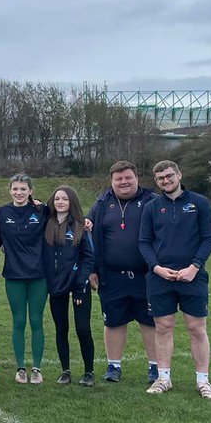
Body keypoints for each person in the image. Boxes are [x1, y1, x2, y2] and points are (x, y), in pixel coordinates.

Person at [139, 160, 211, 400]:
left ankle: (202, 381)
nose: (166, 180)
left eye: (169, 175)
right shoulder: (151, 207)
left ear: (179, 175)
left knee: (197, 328)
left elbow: (209, 239)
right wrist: (157, 268)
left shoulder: (200, 203)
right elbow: (144, 242)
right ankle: (163, 378)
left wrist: (194, 267)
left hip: (192, 277)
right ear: (156, 181)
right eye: (161, 178)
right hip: (160, 278)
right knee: (163, 328)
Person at [86, 161, 159, 384]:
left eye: (127, 177)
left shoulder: (152, 201)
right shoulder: (101, 203)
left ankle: (156, 367)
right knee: (113, 321)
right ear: (112, 181)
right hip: (111, 274)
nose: (123, 182)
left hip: (146, 275)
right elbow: (88, 237)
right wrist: (92, 269)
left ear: (136, 178)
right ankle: (113, 366)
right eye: (118, 179)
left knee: (150, 321)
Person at [0, 175, 49, 385]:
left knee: (36, 320)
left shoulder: (41, 211)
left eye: (23, 189)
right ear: (10, 191)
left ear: (30, 191)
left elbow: (64, 217)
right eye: (15, 189)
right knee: (18, 321)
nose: (19, 192)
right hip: (14, 275)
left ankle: (36, 368)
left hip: (39, 275)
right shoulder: (1, 213)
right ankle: (20, 369)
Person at [44, 186, 95, 386]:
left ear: (71, 202)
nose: (60, 202)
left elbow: (88, 258)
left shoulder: (80, 225)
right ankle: (65, 370)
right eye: (57, 198)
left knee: (83, 329)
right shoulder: (46, 223)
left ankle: (89, 372)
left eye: (64, 199)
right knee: (61, 328)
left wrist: (81, 284)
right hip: (56, 286)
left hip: (77, 286)